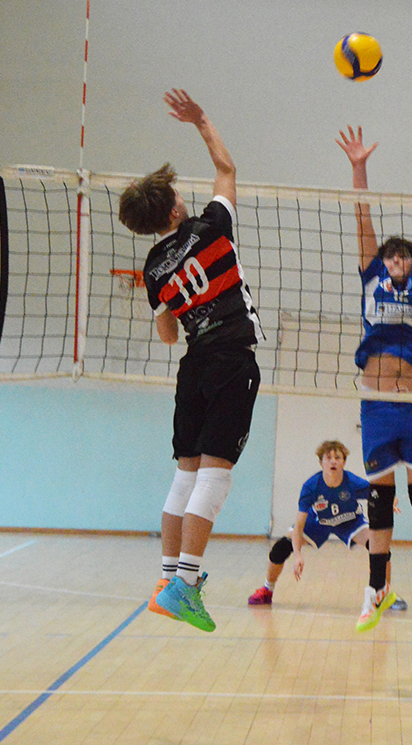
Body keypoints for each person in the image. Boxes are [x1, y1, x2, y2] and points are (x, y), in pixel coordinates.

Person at [118, 89, 263, 633]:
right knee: (214, 476)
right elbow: (227, 168)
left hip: (195, 366)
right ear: (175, 209)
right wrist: (201, 120)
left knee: (185, 474)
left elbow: (167, 335)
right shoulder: (211, 227)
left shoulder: (154, 268)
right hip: (231, 360)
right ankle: (185, 582)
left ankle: (166, 580)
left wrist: (177, 304)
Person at [335, 125, 412, 634]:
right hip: (378, 402)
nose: (397, 261)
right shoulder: (372, 279)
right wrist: (359, 166)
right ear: (382, 262)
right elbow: (363, 218)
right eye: (391, 256)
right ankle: (375, 589)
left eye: (403, 255)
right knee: (380, 496)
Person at [246, 440, 406, 614]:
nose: (333, 461)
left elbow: (384, 494)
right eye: (328, 458)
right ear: (321, 463)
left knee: (380, 548)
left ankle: (384, 593)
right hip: (318, 522)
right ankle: (267, 590)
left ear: (344, 462)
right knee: (280, 548)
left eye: (337, 457)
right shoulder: (311, 486)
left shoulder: (353, 482)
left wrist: (391, 503)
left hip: (350, 521)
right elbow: (299, 526)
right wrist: (298, 554)